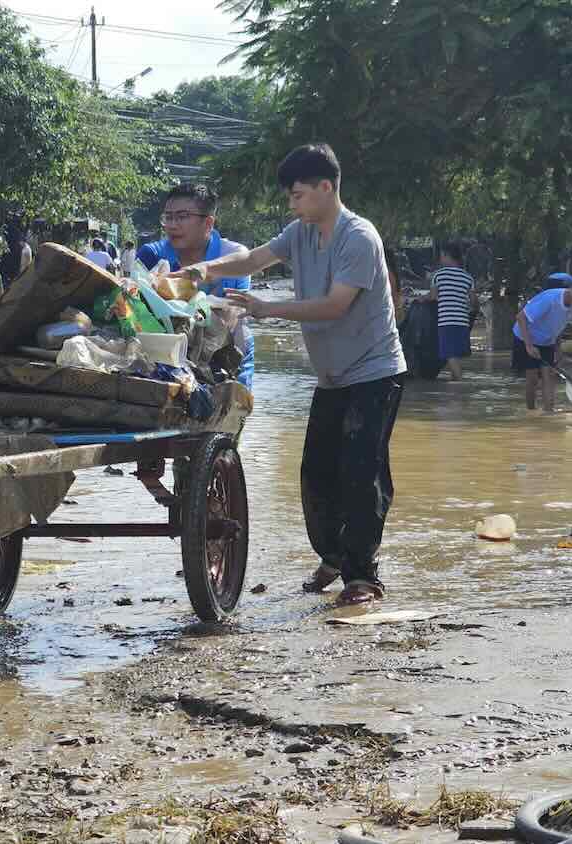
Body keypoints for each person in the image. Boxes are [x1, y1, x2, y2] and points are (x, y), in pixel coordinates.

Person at [165, 143, 406, 606]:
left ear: (325, 188)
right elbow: (253, 260)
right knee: (315, 473)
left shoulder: (359, 237)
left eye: (298, 195)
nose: (292, 204)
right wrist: (202, 269)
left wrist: (266, 308)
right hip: (333, 376)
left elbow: (336, 305)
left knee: (362, 472)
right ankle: (334, 556)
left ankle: (363, 575)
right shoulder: (301, 231)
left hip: (375, 372)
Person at [136, 183, 256, 389]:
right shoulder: (152, 256)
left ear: (208, 223)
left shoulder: (233, 257)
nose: (172, 225)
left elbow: (231, 318)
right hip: (164, 349)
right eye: (168, 217)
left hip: (225, 348)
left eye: (182, 217)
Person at [513, 275, 572, 413]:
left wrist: (558, 349)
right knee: (532, 378)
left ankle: (548, 413)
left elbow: (560, 326)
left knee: (548, 376)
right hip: (525, 337)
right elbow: (521, 317)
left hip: (547, 341)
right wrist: (529, 346)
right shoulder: (550, 299)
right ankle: (531, 412)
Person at [428, 240, 474, 381]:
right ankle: (456, 391)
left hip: (446, 322)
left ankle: (461, 385)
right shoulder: (468, 277)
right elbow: (474, 302)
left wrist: (423, 298)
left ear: (447, 256)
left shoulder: (438, 275)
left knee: (449, 354)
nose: (440, 259)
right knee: (455, 356)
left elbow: (433, 297)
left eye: (441, 255)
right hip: (463, 324)